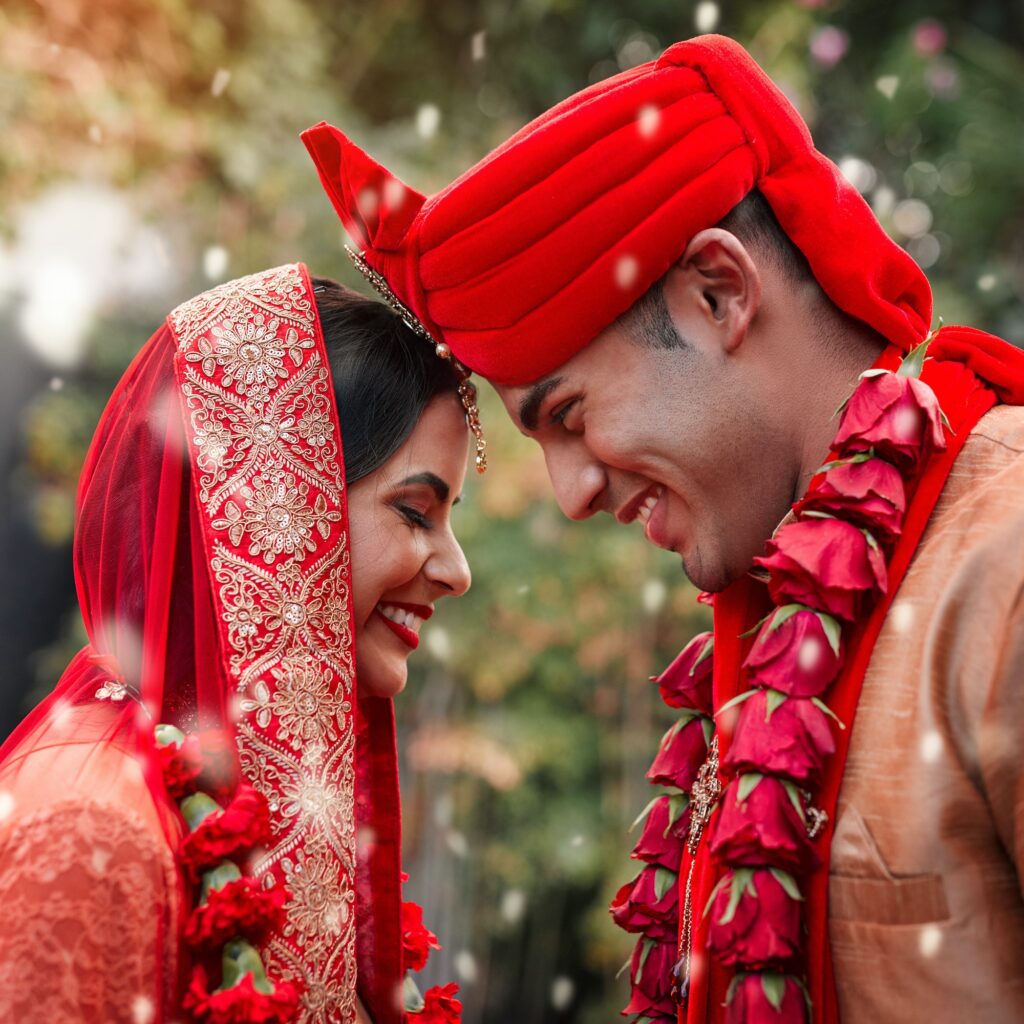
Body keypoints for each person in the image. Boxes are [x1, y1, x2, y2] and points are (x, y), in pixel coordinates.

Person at [303, 33, 1024, 1024]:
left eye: (566, 415)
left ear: (718, 293)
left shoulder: (1005, 558)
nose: (570, 494)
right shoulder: (774, 616)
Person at [0, 262, 473, 1024]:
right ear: (275, 507)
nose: (458, 572)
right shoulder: (89, 827)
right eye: (416, 513)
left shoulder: (241, 796)